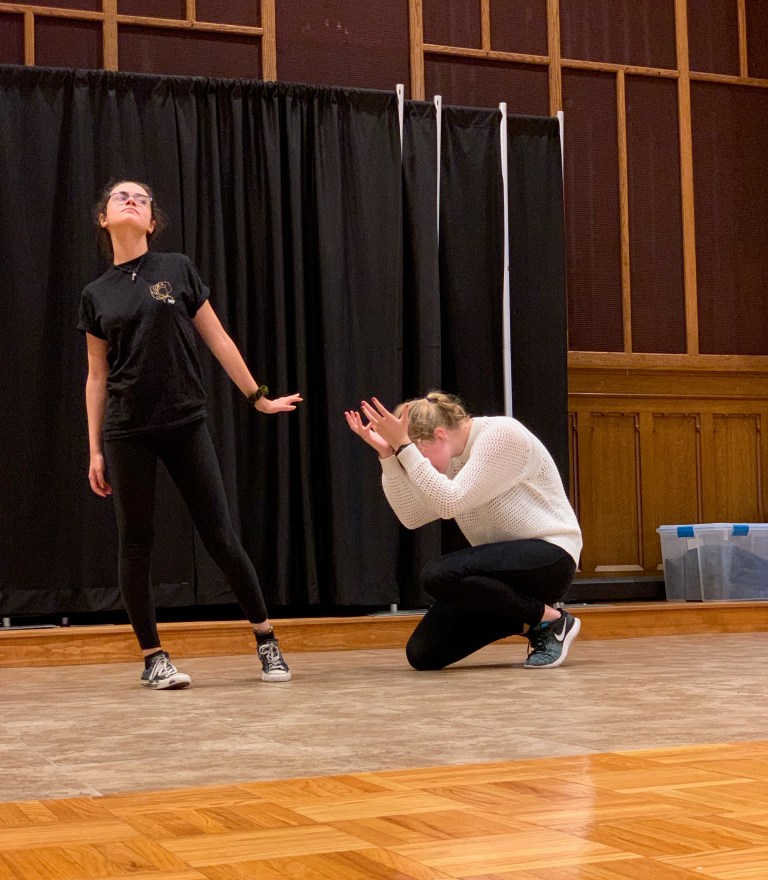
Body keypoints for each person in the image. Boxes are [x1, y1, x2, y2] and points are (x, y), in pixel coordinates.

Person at [78, 179, 301, 690]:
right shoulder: (95, 295)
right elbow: (96, 375)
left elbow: (217, 338)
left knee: (220, 535)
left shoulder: (176, 268)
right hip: (127, 430)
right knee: (135, 542)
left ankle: (266, 640)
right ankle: (153, 657)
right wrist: (94, 449)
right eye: (120, 197)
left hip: (184, 421)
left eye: (141, 199)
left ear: (152, 221)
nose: (131, 201)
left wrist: (258, 396)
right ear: (103, 219)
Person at [345, 392, 582, 670]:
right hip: (501, 577)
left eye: (418, 453)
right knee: (423, 653)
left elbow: (449, 502)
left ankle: (552, 621)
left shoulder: (502, 435)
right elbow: (411, 516)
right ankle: (527, 618)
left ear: (440, 435)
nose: (415, 463)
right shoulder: (451, 456)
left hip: (551, 558)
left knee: (437, 574)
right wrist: (387, 455)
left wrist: (404, 447)